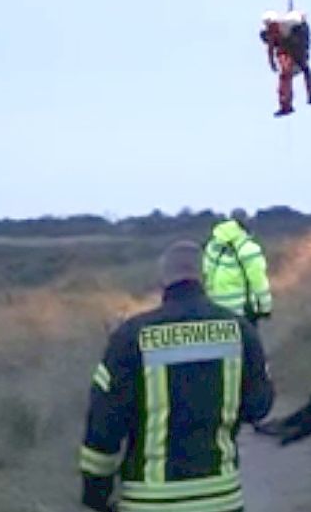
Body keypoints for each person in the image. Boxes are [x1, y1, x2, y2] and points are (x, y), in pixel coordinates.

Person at [78, 240, 274, 512]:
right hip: (221, 498)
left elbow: (103, 427)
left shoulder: (130, 337)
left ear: (163, 281)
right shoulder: (241, 331)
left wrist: (95, 493)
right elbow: (260, 406)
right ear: (204, 277)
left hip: (148, 501)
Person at [202, 209, 273, 326]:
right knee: (247, 343)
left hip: (214, 311)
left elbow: (206, 273)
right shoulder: (249, 249)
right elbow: (258, 281)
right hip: (242, 313)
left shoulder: (212, 246)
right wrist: (266, 307)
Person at [260, 10, 311, 117]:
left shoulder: (289, 23)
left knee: (305, 70)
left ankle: (310, 96)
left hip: (296, 49)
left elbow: (301, 24)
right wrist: (272, 63)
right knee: (285, 75)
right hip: (287, 51)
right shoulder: (272, 32)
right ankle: (285, 105)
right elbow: (270, 47)